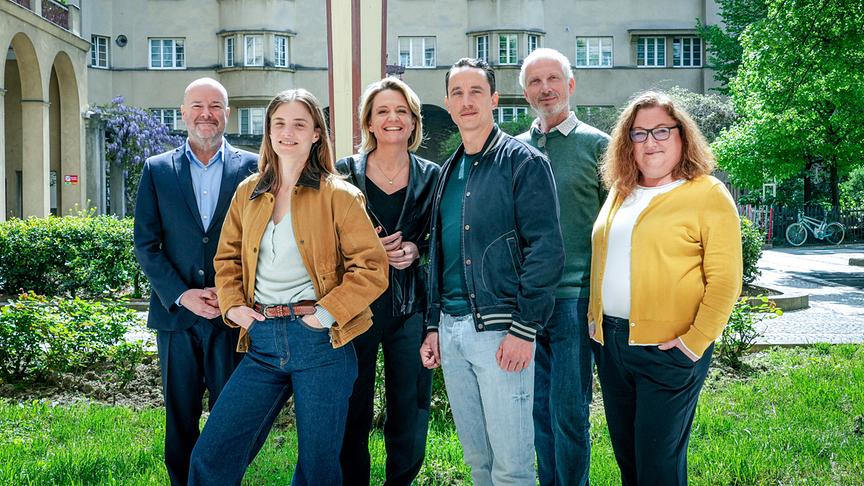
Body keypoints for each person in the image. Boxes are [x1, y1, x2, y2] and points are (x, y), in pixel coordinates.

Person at [187, 89, 389, 485]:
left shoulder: (340, 195)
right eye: (279, 123)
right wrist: (234, 307)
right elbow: (227, 259)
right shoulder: (249, 192)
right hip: (262, 339)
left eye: (299, 124)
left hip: (321, 343)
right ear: (268, 131)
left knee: (317, 470)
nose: (287, 132)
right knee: (212, 454)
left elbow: (371, 267)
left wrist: (324, 316)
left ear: (316, 133)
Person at [419, 58, 565, 486]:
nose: (466, 101)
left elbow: (546, 249)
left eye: (476, 92)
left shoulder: (523, 161)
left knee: (512, 468)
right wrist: (434, 325)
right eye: (458, 93)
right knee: (479, 462)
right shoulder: (447, 171)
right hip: (452, 330)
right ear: (448, 103)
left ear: (494, 100)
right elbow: (441, 253)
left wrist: (524, 328)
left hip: (501, 331)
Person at [588, 91, 742, 485]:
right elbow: (605, 257)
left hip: (669, 348)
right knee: (629, 462)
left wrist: (694, 343)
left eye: (661, 131)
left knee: (658, 467)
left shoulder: (707, 193)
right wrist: (594, 322)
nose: (650, 141)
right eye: (639, 133)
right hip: (612, 345)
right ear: (627, 142)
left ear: (681, 135)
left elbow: (726, 280)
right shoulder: (621, 191)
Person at [133, 77, 258, 486]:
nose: (207, 114)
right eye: (198, 106)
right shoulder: (157, 169)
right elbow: (146, 244)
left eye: (216, 106)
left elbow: (263, 241)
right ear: (183, 113)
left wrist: (232, 293)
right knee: (180, 417)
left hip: (232, 316)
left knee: (231, 418)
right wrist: (182, 294)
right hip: (176, 318)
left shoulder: (255, 168)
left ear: (228, 114)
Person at [336, 77, 440, 486]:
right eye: (382, 111)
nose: (392, 118)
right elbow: (324, 240)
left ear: (413, 122)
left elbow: (443, 239)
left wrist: (416, 249)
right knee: (351, 406)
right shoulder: (344, 173)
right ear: (369, 122)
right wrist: (369, 251)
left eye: (401, 111)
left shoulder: (433, 176)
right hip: (355, 307)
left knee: (410, 407)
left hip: (410, 307)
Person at [516, 47, 610, 486]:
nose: (545, 88)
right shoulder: (515, 149)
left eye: (553, 79)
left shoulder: (598, 146)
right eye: (535, 82)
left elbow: (615, 223)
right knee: (537, 409)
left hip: (575, 299)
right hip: (527, 301)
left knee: (569, 412)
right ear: (525, 93)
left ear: (570, 85)